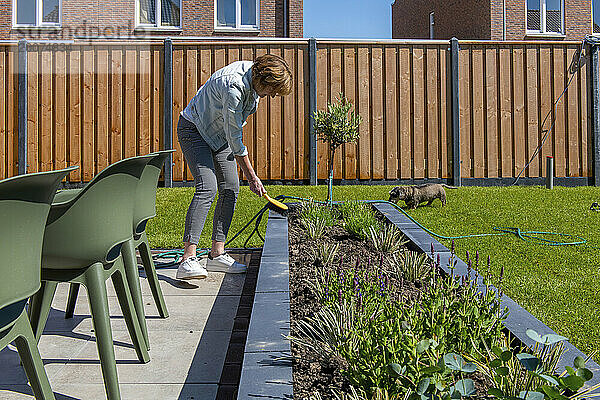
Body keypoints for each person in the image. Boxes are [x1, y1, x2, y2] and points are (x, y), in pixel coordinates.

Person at [175, 54, 292, 280]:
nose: (274, 95)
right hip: (194, 129)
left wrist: (246, 174)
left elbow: (233, 129)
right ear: (264, 80)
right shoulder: (234, 85)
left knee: (230, 187)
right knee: (207, 187)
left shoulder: (254, 88)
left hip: (219, 136)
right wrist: (252, 176)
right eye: (274, 90)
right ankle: (187, 259)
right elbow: (235, 136)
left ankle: (216, 255)